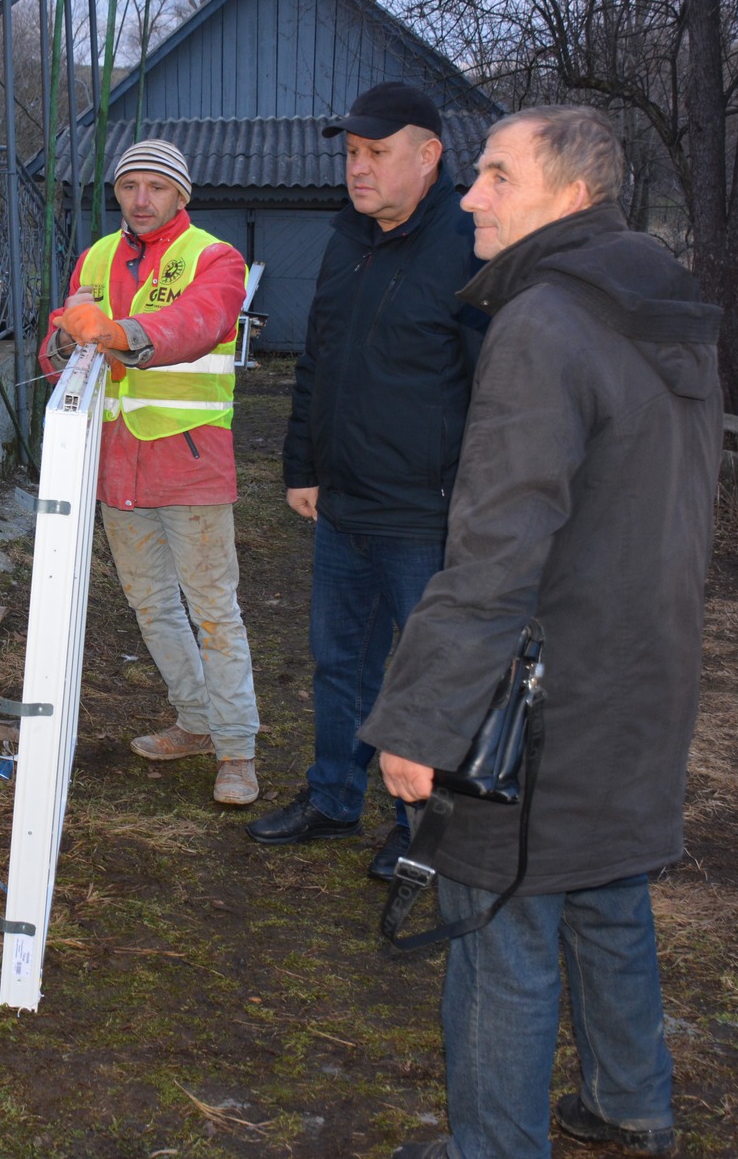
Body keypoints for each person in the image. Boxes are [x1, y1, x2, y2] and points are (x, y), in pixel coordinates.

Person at [369, 106, 722, 1159]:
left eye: (493, 176)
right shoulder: (659, 307)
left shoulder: (542, 323)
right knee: (605, 887)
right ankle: (628, 1107)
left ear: (570, 195)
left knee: (498, 924)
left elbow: (493, 554)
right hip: (644, 670)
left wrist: (421, 720)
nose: (469, 196)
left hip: (541, 692)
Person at [248, 82, 486, 878]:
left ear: (429, 156)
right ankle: (333, 796)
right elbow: (317, 360)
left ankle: (419, 826)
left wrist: (473, 504)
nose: (358, 169)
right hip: (344, 504)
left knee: (425, 675)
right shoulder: (347, 239)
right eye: (351, 153)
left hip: (426, 513)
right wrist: (303, 468)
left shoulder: (470, 243)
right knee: (338, 660)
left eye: (377, 153)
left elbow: (494, 388)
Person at [40, 139, 260, 805]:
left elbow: (198, 322)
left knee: (214, 610)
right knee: (152, 605)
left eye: (155, 187)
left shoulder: (215, 257)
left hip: (189, 463)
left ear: (180, 195)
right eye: (130, 185)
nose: (141, 199)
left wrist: (116, 333)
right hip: (117, 463)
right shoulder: (98, 256)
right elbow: (63, 353)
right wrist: (64, 338)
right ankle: (196, 722)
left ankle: (237, 748)